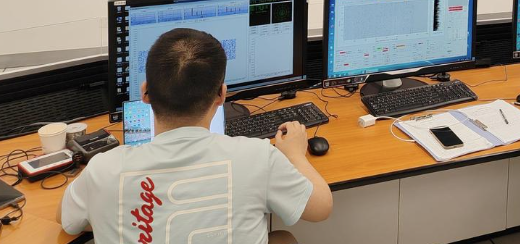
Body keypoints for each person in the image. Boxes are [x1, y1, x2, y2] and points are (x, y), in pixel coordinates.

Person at [58, 28, 332, 243]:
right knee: (284, 238)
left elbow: (66, 220)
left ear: (144, 93)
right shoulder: (257, 156)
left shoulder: (103, 169)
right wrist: (296, 155)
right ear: (221, 95)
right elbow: (320, 209)